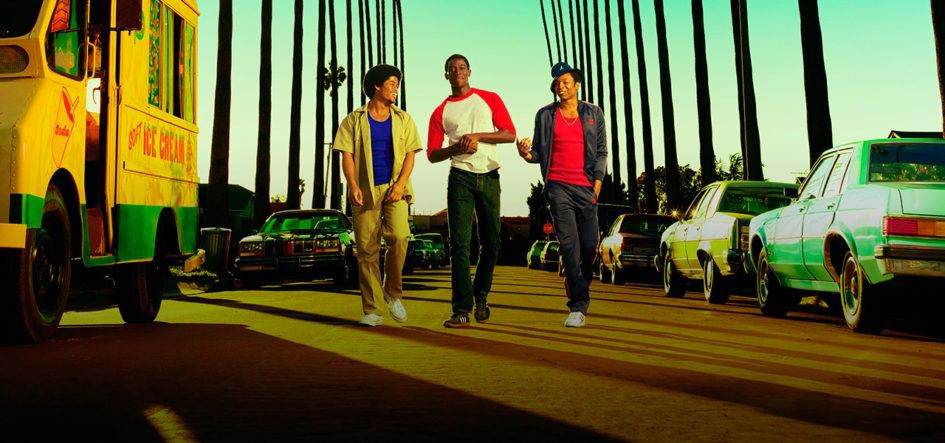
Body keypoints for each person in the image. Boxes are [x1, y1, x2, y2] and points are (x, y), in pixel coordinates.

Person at [427, 54, 516, 328]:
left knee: (492, 243)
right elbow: (432, 154)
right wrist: (457, 148)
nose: (457, 72)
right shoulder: (440, 112)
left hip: (489, 174)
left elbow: (509, 134)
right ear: (446, 76)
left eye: (462, 67)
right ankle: (462, 310)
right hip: (460, 178)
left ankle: (481, 295)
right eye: (452, 69)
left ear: (469, 72)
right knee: (459, 245)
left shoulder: (489, 98)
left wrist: (477, 136)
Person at [516, 62, 607, 328]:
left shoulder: (593, 113)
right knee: (569, 247)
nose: (561, 86)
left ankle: (577, 282)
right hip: (557, 187)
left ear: (576, 85)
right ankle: (577, 307)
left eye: (566, 81)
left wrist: (597, 186)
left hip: (586, 188)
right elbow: (537, 155)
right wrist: (525, 153)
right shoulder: (545, 115)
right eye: (557, 82)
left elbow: (602, 151)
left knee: (590, 246)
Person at [333, 64, 422, 326]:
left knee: (400, 236)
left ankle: (393, 293)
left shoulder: (404, 119)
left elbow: (411, 154)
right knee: (367, 250)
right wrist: (352, 185)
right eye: (392, 83)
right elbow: (346, 155)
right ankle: (372, 310)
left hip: (396, 187)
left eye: (397, 84)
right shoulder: (354, 119)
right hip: (365, 190)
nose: (396, 88)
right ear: (376, 85)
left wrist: (401, 184)